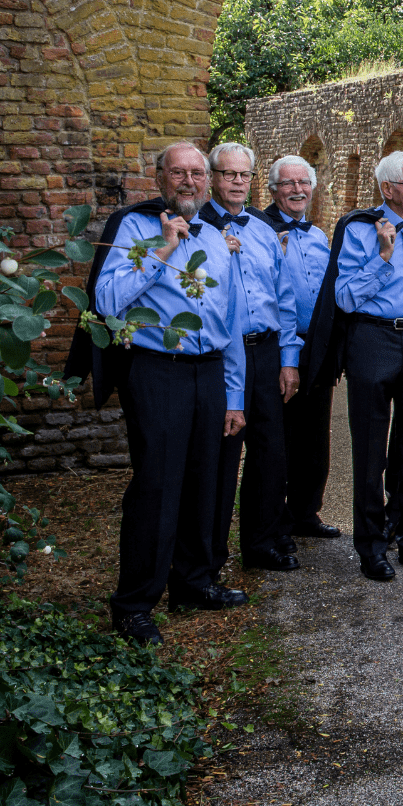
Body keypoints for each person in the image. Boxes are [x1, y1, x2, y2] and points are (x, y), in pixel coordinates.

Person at [91, 141, 247, 642]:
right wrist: (163, 250)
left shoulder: (219, 237)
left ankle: (192, 583)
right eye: (177, 173)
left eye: (197, 174)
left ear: (208, 181)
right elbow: (108, 300)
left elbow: (233, 320)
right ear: (158, 178)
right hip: (156, 370)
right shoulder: (132, 227)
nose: (188, 182)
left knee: (207, 480)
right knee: (158, 486)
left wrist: (235, 394)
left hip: (210, 372)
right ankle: (134, 604)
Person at [331, 150, 403, 581]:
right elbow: (344, 298)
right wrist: (382, 258)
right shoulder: (358, 230)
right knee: (370, 451)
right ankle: (370, 545)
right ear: (388, 189)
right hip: (372, 338)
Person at [203, 141, 298, 577]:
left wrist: (288, 358)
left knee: (269, 453)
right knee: (221, 457)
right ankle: (209, 559)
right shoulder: (195, 227)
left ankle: (260, 546)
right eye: (228, 174)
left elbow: (284, 296)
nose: (237, 182)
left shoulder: (261, 228)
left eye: (244, 175)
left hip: (266, 351)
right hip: (220, 356)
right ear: (212, 177)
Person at [258, 155, 341, 546]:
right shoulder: (262, 231)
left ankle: (307, 512)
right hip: (278, 350)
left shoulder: (318, 235)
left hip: (315, 349)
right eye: (288, 183)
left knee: (314, 439)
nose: (297, 190)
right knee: (280, 440)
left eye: (303, 182)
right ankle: (277, 520)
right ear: (273, 190)